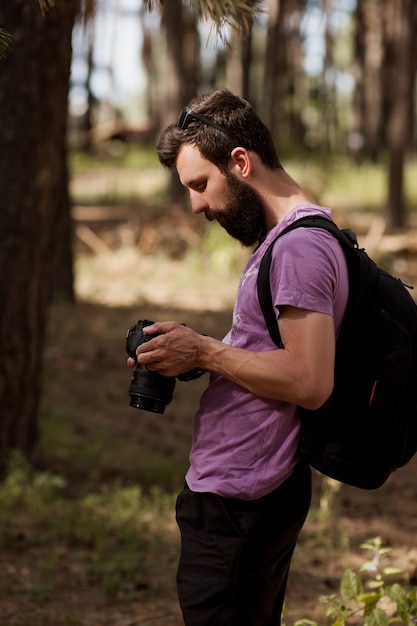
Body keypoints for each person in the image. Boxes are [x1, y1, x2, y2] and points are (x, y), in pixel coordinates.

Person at [127, 90, 349, 626]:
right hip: (241, 492)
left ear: (241, 162)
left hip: (245, 502)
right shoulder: (283, 240)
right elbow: (274, 354)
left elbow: (309, 380)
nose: (197, 205)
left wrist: (205, 349)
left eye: (200, 185)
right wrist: (194, 353)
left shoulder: (298, 248)